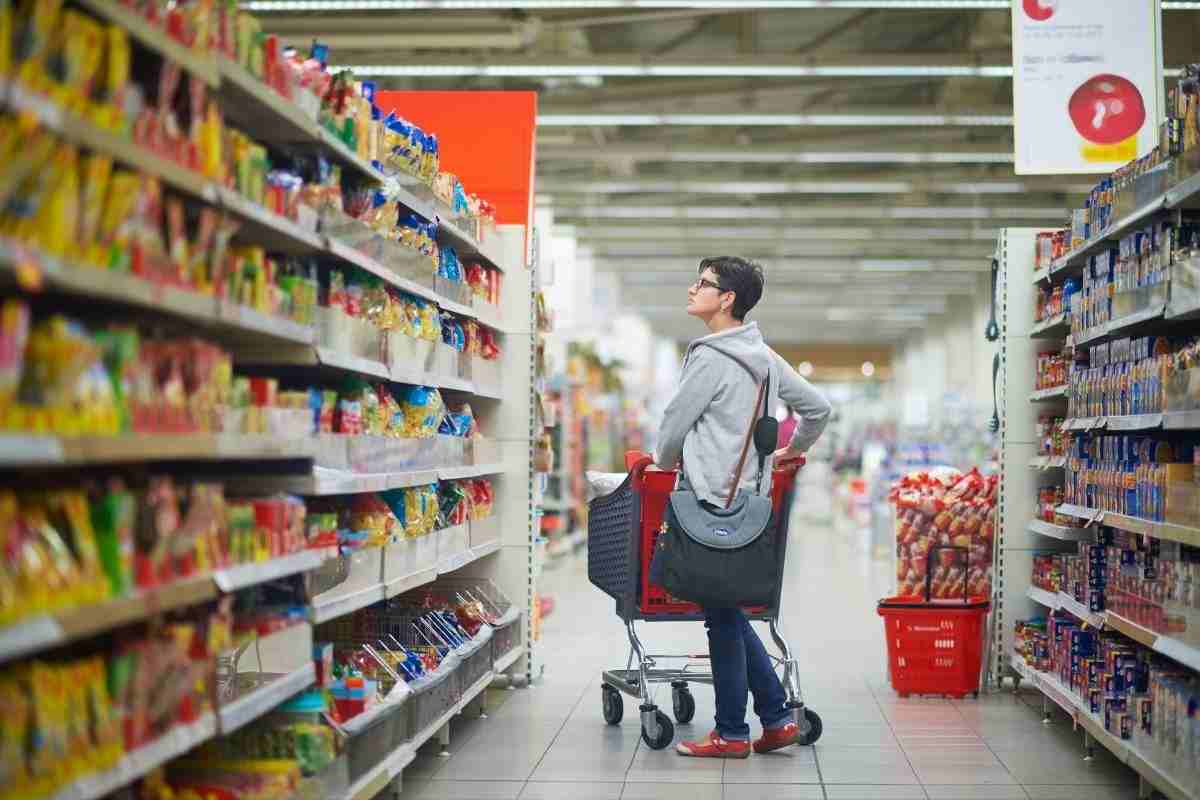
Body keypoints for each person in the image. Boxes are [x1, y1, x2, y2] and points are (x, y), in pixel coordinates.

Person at [653, 256, 832, 759]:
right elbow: (818, 409)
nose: (693, 289)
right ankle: (775, 719)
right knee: (727, 609)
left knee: (720, 617)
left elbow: (674, 423)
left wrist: (662, 463)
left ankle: (731, 734)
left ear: (727, 298)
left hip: (709, 502)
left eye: (703, 283)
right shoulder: (762, 355)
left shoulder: (709, 354)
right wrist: (790, 453)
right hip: (750, 506)